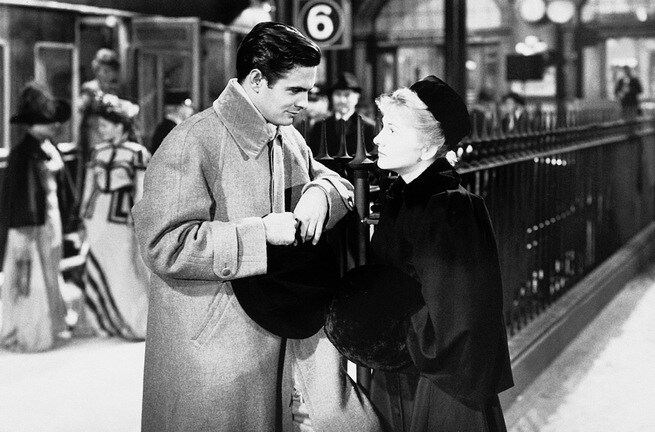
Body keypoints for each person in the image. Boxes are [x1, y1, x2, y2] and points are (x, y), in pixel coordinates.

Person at [132, 22, 382, 432]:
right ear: (256, 80)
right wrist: (260, 234)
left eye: (309, 91)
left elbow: (337, 181)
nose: (305, 102)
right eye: (295, 90)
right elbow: (164, 245)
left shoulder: (285, 136)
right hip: (212, 349)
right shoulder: (192, 141)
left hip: (272, 329)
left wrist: (321, 192)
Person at [329, 76, 514, 431]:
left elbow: (454, 322)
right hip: (406, 372)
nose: (378, 138)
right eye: (383, 125)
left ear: (429, 148)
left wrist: (376, 327)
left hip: (439, 385)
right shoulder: (407, 195)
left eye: (394, 130)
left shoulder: (448, 208)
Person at [0, 82, 71, 352]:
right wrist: (26, 229)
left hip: (50, 220)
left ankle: (52, 323)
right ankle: (30, 330)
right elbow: (21, 195)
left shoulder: (48, 147)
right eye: (47, 121)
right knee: (32, 278)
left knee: (51, 271)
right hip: (32, 224)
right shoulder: (23, 154)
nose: (55, 125)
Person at [79, 93, 150, 340]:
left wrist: (140, 219)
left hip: (123, 218)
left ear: (120, 125)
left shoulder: (137, 153)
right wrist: (82, 217)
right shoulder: (96, 152)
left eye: (105, 125)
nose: (100, 129)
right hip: (97, 216)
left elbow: (141, 190)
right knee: (96, 263)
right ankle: (100, 322)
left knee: (124, 267)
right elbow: (89, 185)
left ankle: (132, 322)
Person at [307, 72, 376, 158]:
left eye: (347, 95)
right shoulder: (319, 126)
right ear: (332, 97)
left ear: (357, 97)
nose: (342, 100)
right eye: (338, 94)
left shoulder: (368, 128)